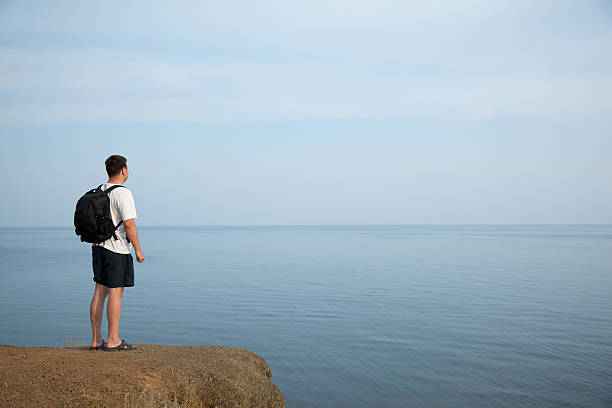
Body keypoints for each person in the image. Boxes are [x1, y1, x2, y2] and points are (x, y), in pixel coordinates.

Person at [89, 155, 145, 351]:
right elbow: (129, 224)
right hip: (117, 250)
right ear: (123, 170)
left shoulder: (100, 191)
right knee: (115, 293)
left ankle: (97, 340)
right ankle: (113, 340)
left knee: (99, 292)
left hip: (98, 248)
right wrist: (138, 250)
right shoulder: (123, 193)